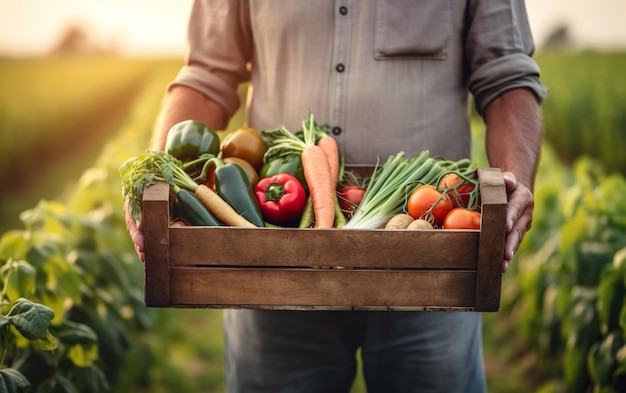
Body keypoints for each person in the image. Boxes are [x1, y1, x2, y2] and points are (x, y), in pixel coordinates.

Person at [125, 1, 547, 392]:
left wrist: (514, 180)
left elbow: (508, 77)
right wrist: (157, 180)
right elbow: (208, 74)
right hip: (272, 264)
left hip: (432, 262)